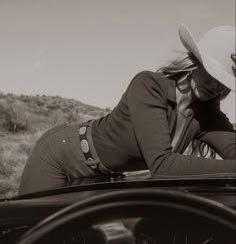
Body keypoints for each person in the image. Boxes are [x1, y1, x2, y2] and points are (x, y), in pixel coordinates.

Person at [18, 24, 236, 195]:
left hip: (104, 175)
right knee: (31, 228)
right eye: (213, 74)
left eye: (224, 81)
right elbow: (162, 166)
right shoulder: (149, 85)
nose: (217, 86)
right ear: (194, 63)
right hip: (61, 155)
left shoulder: (207, 114)